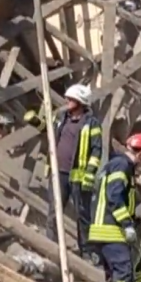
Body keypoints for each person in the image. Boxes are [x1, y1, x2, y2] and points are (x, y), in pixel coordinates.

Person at [89, 133, 141, 282]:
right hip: (111, 231)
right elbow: (114, 197)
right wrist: (127, 224)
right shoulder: (122, 165)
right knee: (123, 274)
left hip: (102, 230)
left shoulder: (115, 165)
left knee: (113, 278)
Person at [44, 84, 102, 259]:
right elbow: (50, 134)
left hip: (79, 176)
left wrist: (89, 175)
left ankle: (87, 252)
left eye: (70, 99)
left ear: (80, 102)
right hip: (58, 172)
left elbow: (97, 150)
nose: (67, 101)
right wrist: (36, 122)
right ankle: (49, 247)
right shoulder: (61, 118)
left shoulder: (91, 124)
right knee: (54, 211)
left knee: (82, 216)